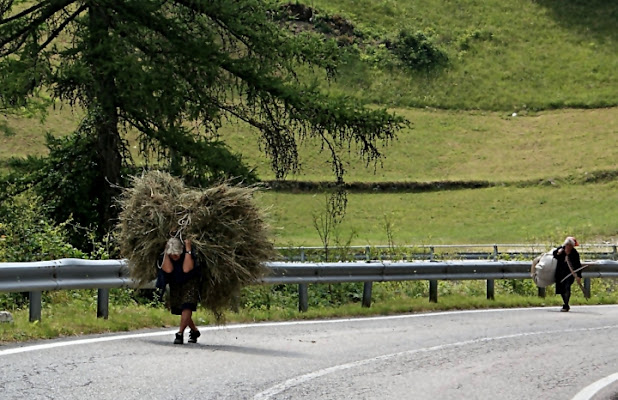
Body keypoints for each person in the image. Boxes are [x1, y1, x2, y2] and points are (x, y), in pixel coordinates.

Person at [160, 237, 201, 344]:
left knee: (187, 305)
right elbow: (168, 269)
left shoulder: (189, 252)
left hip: (191, 280)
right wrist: (166, 251)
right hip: (175, 281)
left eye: (177, 254)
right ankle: (194, 331)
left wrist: (188, 249)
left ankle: (180, 333)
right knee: (179, 308)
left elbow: (186, 269)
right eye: (172, 255)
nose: (175, 256)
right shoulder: (167, 256)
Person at [553, 236, 583, 312]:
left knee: (567, 287)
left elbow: (578, 265)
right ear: (565, 244)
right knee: (561, 289)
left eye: (571, 245)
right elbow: (554, 255)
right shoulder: (561, 249)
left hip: (569, 274)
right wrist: (558, 253)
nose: (569, 247)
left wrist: (579, 276)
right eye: (568, 245)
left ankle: (566, 305)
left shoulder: (574, 253)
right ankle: (565, 303)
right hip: (560, 273)